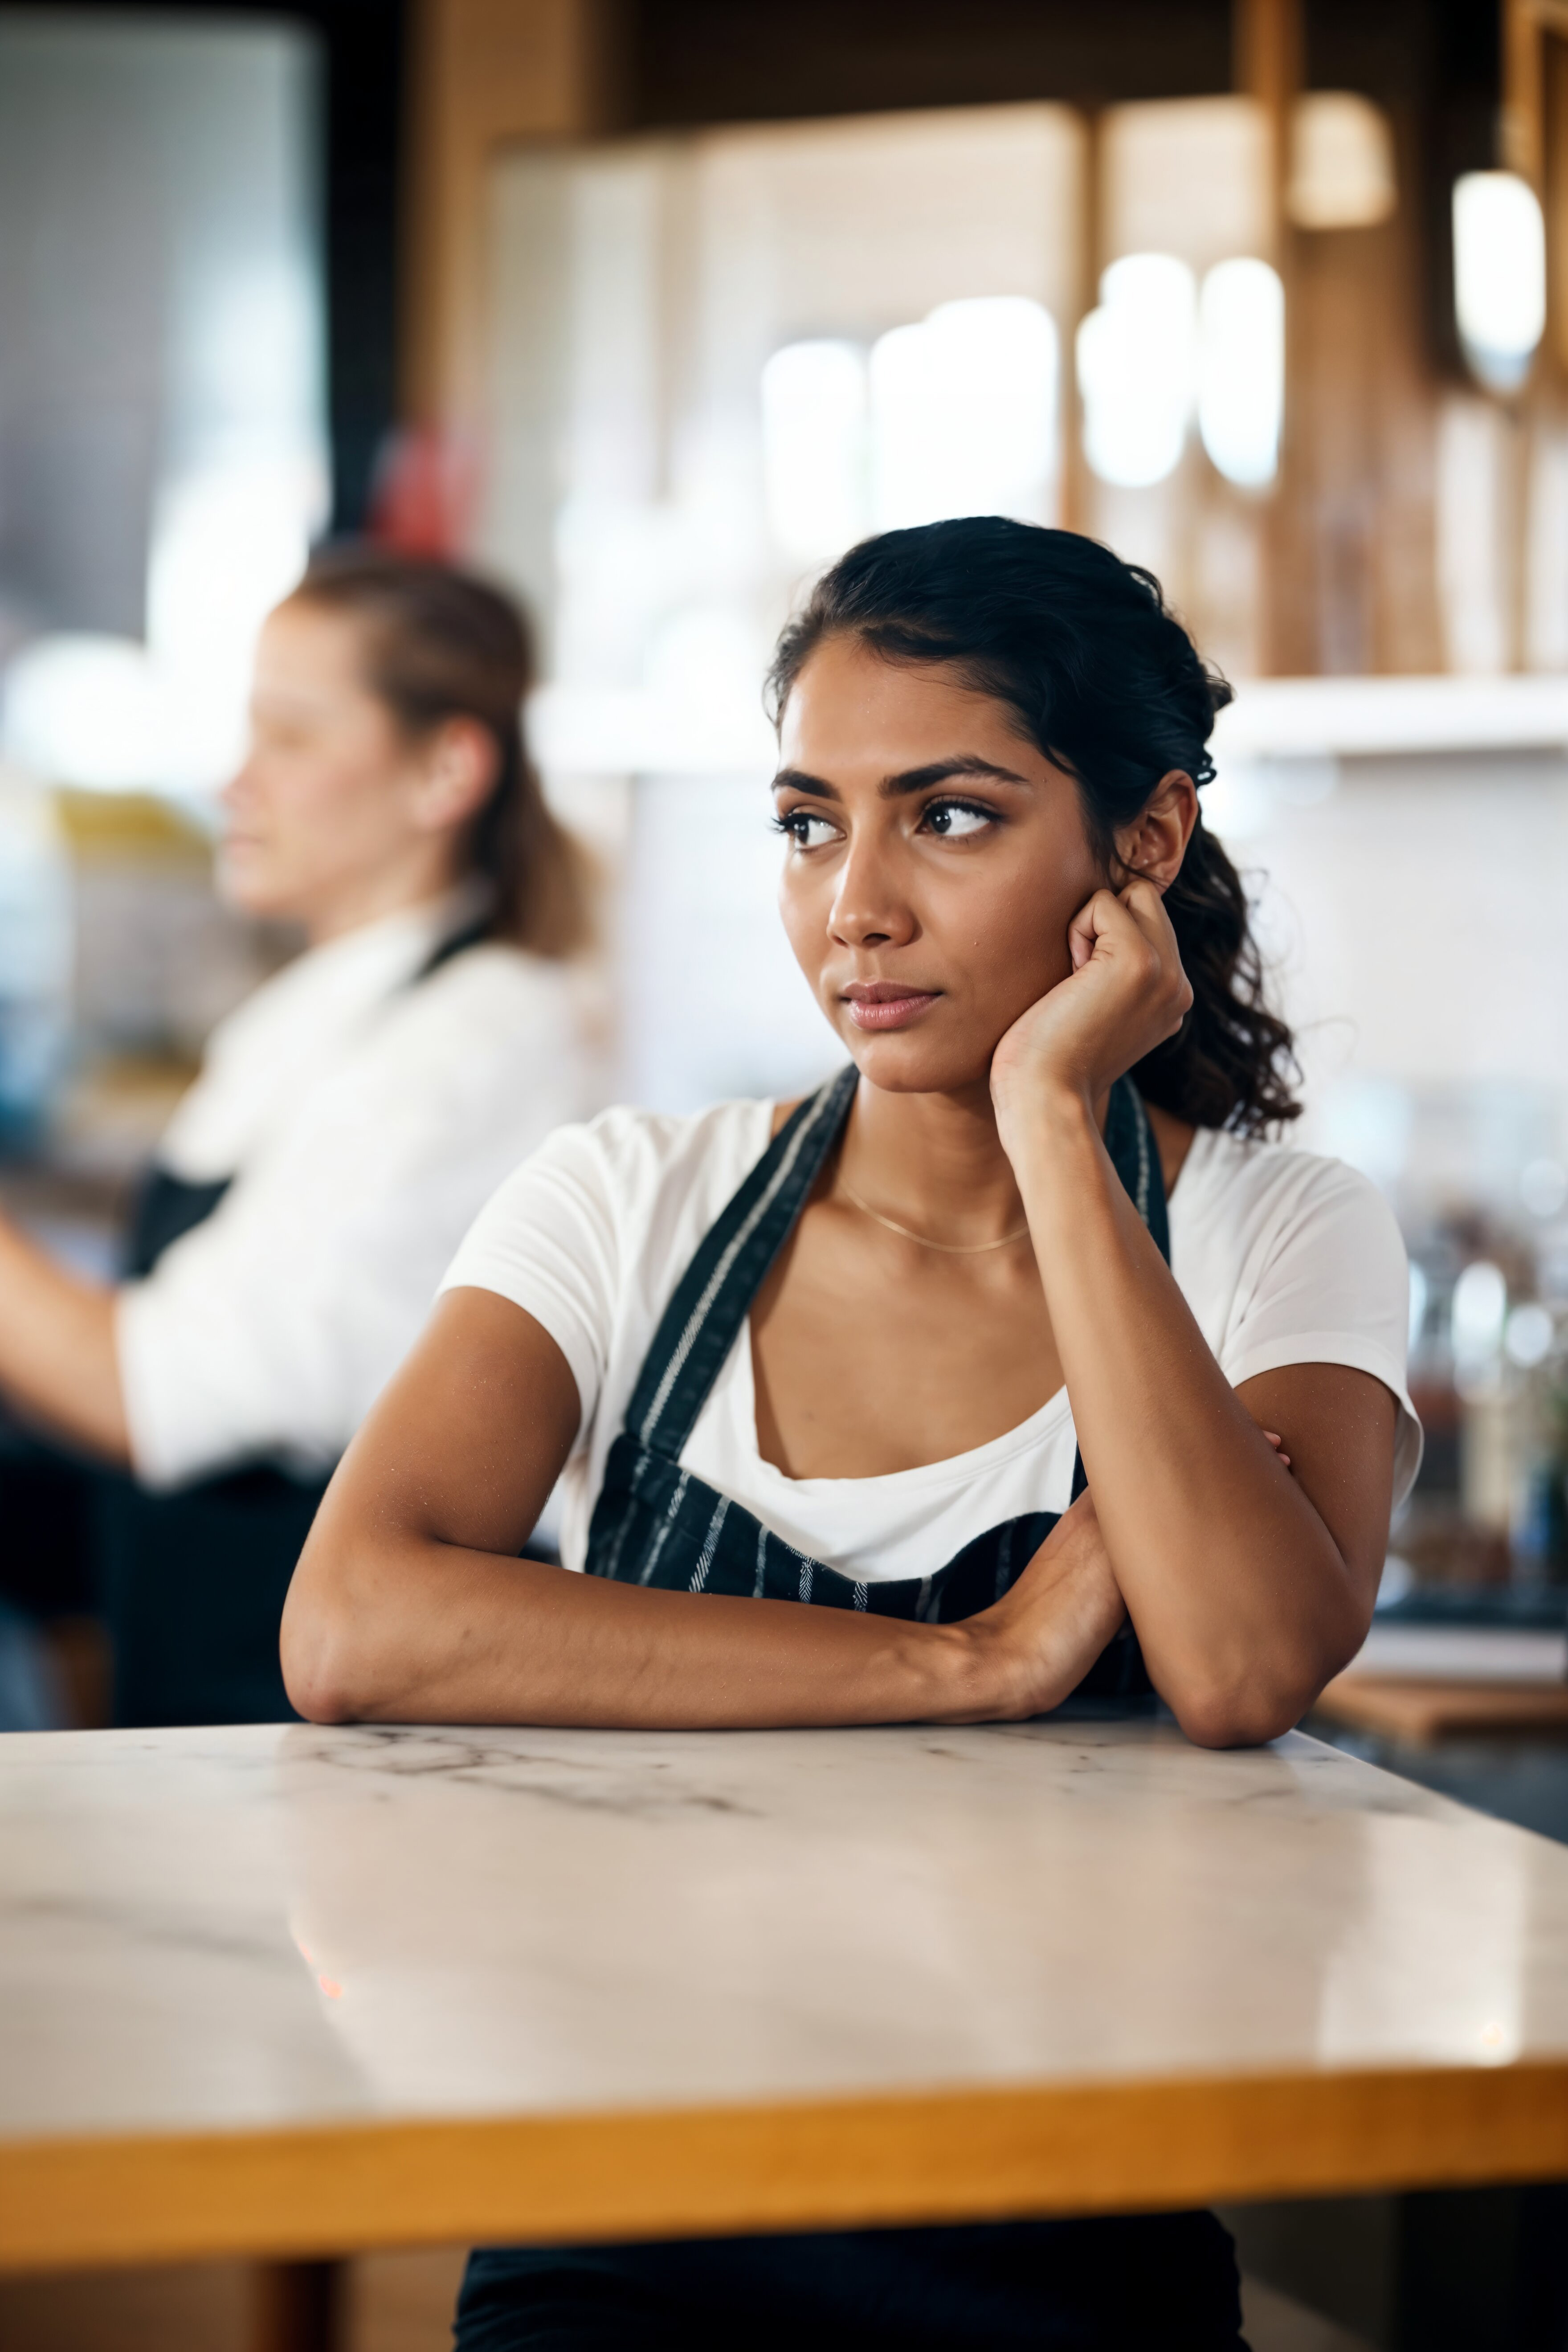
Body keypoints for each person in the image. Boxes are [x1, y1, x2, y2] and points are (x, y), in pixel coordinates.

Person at [282, 519, 1420, 2349]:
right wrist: (972, 1663)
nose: (853, 905)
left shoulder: (1269, 1238)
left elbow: (1239, 1667)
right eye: (810, 822)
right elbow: (353, 1628)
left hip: (1060, 2261)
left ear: (1140, 843)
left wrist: (1057, 1111)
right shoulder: (627, 1200)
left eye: (946, 816)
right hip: (613, 2237)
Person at [0, 546, 598, 1726]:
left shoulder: (472, 1048)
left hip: (314, 1716)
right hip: (199, 1660)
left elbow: (153, 1395)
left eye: (291, 737)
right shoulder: (324, 1005)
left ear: (445, 771)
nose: (237, 782)